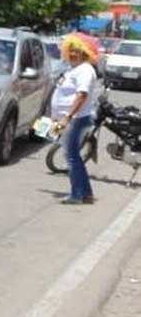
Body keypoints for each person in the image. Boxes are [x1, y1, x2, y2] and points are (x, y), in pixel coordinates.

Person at [51, 32, 98, 205]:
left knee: (71, 157)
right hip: (68, 118)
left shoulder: (85, 70)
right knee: (73, 156)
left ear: (84, 53)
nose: (71, 54)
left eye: (75, 51)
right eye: (69, 51)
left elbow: (81, 95)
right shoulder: (75, 69)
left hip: (75, 119)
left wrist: (67, 117)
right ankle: (86, 193)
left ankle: (77, 195)